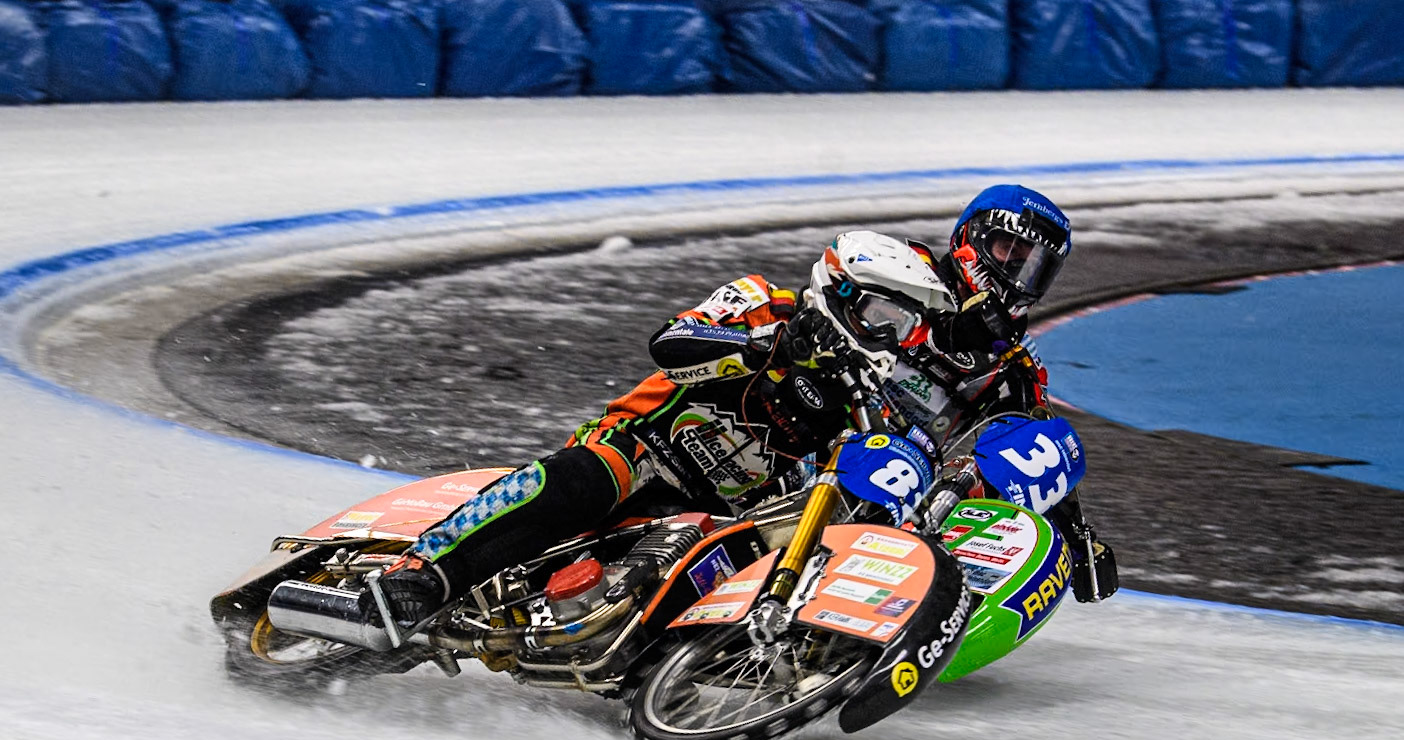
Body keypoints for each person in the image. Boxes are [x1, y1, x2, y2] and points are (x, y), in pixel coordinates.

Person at [365, 184, 1116, 628]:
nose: (1019, 276)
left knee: (723, 570)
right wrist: (764, 348)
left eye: (1036, 267)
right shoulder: (872, 280)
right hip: (660, 441)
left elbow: (1033, 443)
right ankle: (420, 574)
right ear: (968, 243)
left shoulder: (1013, 369)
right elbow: (674, 339)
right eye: (1009, 253)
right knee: (582, 481)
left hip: (780, 491)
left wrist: (1075, 533)